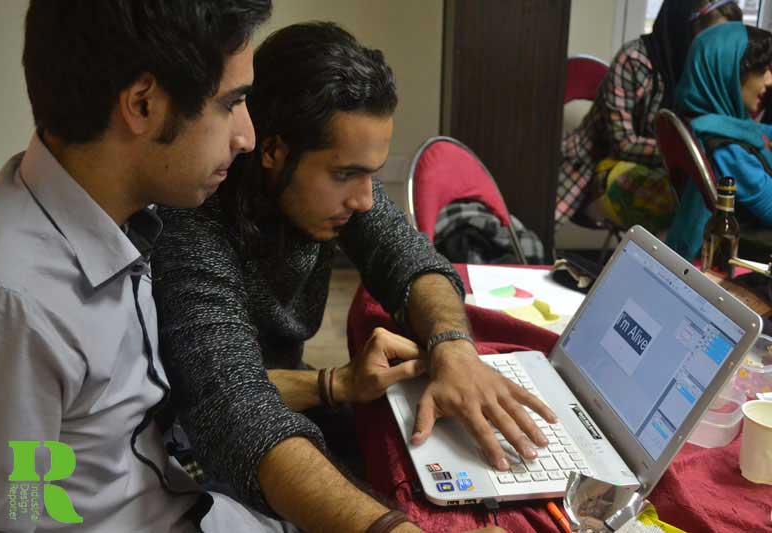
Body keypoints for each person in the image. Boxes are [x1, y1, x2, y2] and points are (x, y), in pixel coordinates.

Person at [151, 22, 548, 532]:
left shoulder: (325, 188)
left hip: (267, 406)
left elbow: (413, 261)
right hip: (199, 446)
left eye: (371, 174)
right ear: (272, 151)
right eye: (345, 174)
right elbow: (225, 400)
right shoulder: (194, 222)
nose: (363, 200)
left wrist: (453, 347)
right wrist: (333, 384)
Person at [0, 1, 307, 531]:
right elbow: (8, 517)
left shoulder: (123, 206)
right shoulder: (11, 303)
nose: (246, 136)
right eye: (231, 103)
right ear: (143, 104)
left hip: (187, 495)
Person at [556, 0, 742, 233]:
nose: (719, 52)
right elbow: (623, 143)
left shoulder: (710, 73)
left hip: (670, 173)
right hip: (603, 164)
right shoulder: (635, 59)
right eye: (711, 41)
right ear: (684, 29)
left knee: (722, 200)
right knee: (683, 206)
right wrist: (685, 153)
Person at [666, 23, 772, 260]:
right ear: (727, 72)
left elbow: (760, 132)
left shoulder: (709, 122)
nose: (769, 81)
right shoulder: (726, 148)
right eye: (761, 70)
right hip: (747, 259)